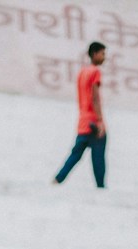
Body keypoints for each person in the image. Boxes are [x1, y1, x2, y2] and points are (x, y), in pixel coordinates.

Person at [53, 42, 108, 189]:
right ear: (95, 54)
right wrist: (100, 121)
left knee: (75, 154)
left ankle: (58, 180)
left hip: (83, 122)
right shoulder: (95, 72)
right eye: (102, 54)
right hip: (93, 123)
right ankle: (101, 187)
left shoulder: (82, 72)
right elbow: (95, 98)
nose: (104, 58)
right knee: (98, 158)